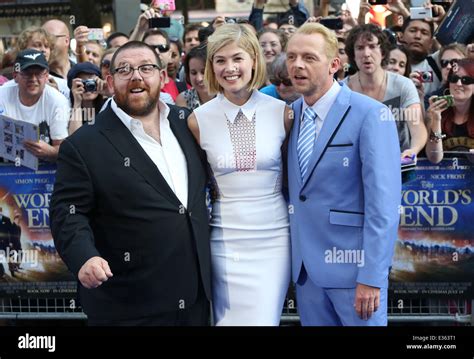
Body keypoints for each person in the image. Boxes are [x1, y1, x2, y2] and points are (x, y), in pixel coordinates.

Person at [50, 41, 212, 326]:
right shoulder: (83, 145)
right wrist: (84, 257)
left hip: (195, 298)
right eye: (125, 70)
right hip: (128, 305)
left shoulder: (189, 124)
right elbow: (68, 214)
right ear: (110, 82)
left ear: (162, 77)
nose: (136, 76)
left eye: (146, 68)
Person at [286, 23, 401, 326]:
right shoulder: (288, 115)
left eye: (309, 58)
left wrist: (373, 277)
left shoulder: (370, 114)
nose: (297, 65)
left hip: (355, 274)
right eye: (292, 57)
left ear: (334, 65)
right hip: (306, 275)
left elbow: (384, 206)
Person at [188, 24, 293, 326]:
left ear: (254, 61)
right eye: (219, 60)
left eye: (237, 58)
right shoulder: (198, 120)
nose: (229, 68)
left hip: (273, 238)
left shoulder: (283, 113)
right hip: (225, 239)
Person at [344, 24, 427, 159]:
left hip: (397, 163)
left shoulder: (403, 85)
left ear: (382, 52)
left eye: (372, 46)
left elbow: (417, 127)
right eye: (360, 48)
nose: (366, 53)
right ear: (353, 54)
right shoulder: (343, 90)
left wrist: (413, 150)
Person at [0, 49, 69, 162]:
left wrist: (50, 152)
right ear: (15, 76)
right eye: (27, 73)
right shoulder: (2, 94)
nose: (33, 79)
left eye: (38, 74)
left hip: (44, 168)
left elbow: (63, 149)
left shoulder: (58, 101)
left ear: (47, 76)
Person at [425, 59, 474, 164]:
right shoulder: (435, 111)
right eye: (454, 78)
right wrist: (437, 120)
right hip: (443, 178)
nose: (459, 83)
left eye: (466, 80)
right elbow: (434, 157)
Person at [175, 46, 214, 110]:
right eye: (193, 73)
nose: (199, 78)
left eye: (203, 72)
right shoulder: (183, 99)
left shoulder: (229, 97)